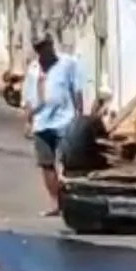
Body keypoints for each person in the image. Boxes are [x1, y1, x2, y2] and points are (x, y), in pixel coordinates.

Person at [21, 33, 84, 217]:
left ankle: (74, 201)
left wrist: (79, 117)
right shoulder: (34, 69)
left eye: (44, 46)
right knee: (46, 164)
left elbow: (76, 90)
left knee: (69, 162)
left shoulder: (67, 63)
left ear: (51, 44)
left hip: (65, 121)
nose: (42, 51)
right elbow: (28, 99)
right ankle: (56, 203)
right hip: (41, 123)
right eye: (38, 48)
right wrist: (27, 121)